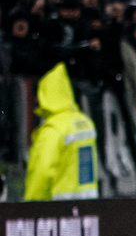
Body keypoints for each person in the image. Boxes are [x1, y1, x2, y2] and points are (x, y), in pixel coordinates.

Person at [24, 62, 99, 201]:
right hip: (88, 205)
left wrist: (30, 207)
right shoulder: (85, 122)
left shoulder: (54, 129)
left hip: (58, 208)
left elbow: (43, 172)